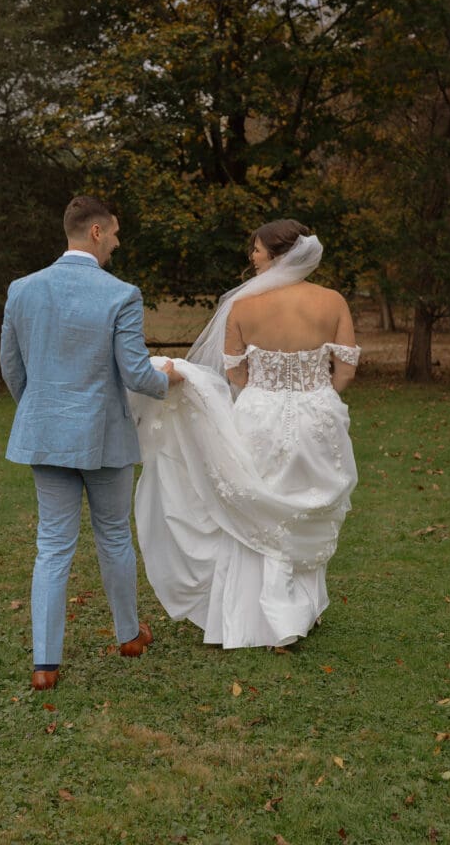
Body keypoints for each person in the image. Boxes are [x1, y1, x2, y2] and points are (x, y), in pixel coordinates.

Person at [130, 220, 360, 649]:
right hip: (318, 416)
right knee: (302, 504)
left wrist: (264, 392)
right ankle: (295, 612)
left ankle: (261, 618)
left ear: (278, 254)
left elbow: (234, 371)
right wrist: (317, 396)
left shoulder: (244, 306)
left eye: (256, 250)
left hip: (259, 415)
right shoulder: (332, 301)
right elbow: (345, 368)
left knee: (258, 509)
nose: (251, 257)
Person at [0, 195, 183, 689]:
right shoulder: (120, 294)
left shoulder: (22, 289)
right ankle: (129, 635)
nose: (118, 244)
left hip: (45, 436)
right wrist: (171, 378)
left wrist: (42, 413)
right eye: (116, 233)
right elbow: (137, 373)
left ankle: (45, 664)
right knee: (114, 536)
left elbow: (12, 369)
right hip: (104, 437)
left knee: (52, 546)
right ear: (96, 232)